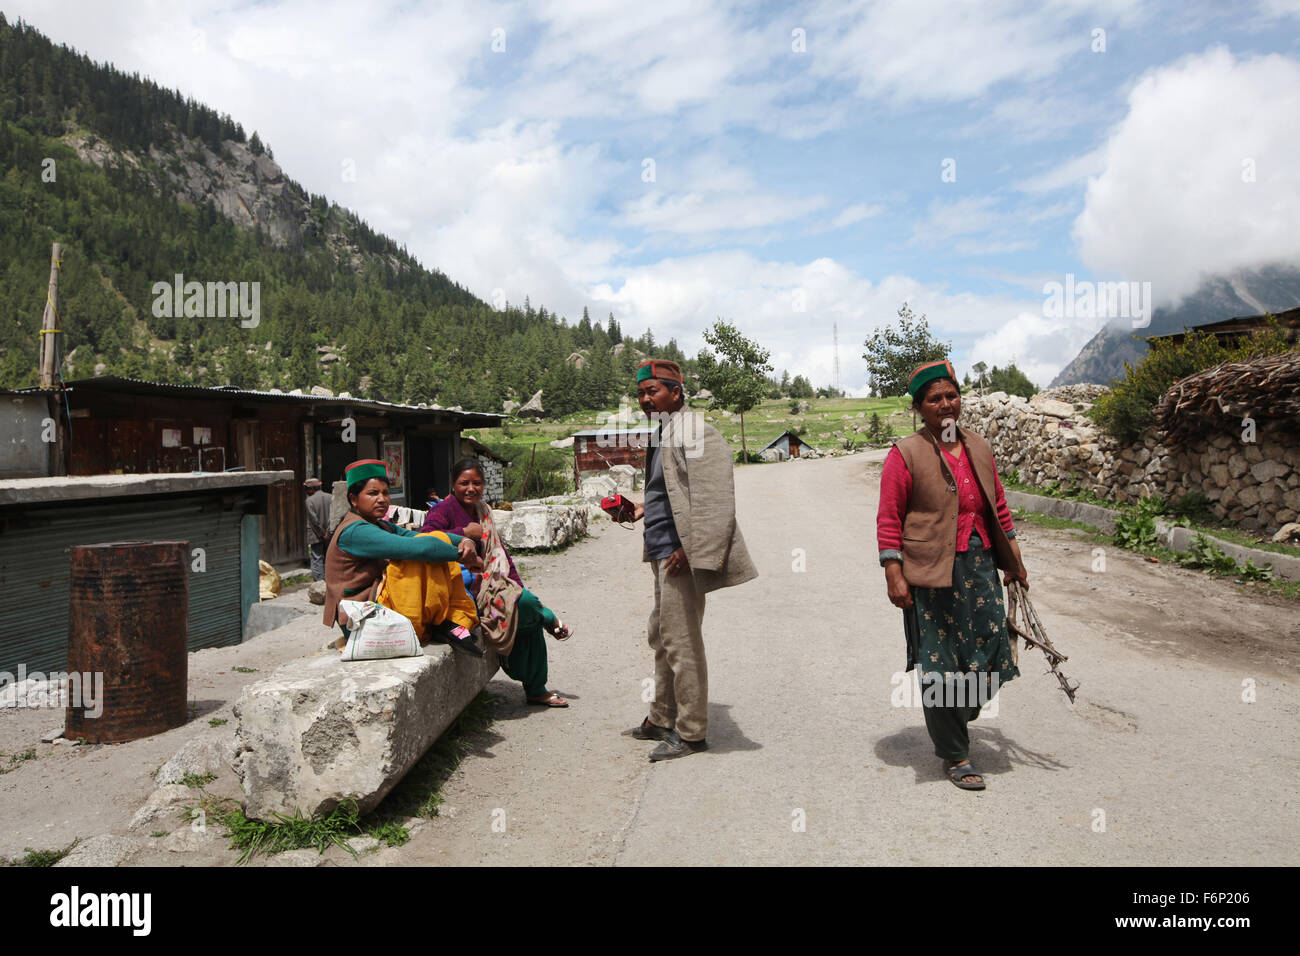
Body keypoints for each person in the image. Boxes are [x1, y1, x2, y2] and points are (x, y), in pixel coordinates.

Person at [876, 360, 1029, 791]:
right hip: (930, 571)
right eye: (934, 398)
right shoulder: (904, 454)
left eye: (951, 395)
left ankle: (958, 717)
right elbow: (889, 520)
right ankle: (956, 754)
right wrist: (894, 571)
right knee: (940, 665)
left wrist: (1015, 561)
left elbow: (998, 507)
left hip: (979, 564)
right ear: (919, 407)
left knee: (991, 655)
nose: (945, 404)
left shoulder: (979, 447)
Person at [624, 359, 758, 761]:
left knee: (681, 642)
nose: (646, 399)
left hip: (680, 555)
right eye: (642, 393)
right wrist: (638, 509)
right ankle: (662, 716)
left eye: (654, 391)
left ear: (676, 393)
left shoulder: (697, 431)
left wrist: (692, 550)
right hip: (662, 550)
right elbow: (673, 493)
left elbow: (716, 502)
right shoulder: (664, 432)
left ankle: (693, 732)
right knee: (663, 636)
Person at [420, 457, 573, 706]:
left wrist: (517, 584)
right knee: (526, 606)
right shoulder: (442, 511)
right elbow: (426, 538)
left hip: (494, 584)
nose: (471, 489)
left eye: (477, 483)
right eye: (464, 483)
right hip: (464, 591)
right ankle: (548, 620)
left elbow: (500, 553)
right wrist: (463, 534)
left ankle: (536, 687)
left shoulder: (484, 511)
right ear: (453, 484)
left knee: (525, 606)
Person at [324, 459, 484, 657]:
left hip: (379, 604)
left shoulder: (380, 525)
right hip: (361, 615)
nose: (382, 499)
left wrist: (463, 540)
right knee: (411, 559)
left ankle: (443, 622)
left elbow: (420, 536)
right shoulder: (355, 531)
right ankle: (436, 623)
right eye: (373, 493)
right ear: (354, 499)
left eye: (385, 493)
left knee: (436, 538)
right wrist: (460, 556)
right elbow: (416, 547)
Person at [303, 477, 333, 581]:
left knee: (317, 557)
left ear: (311, 489)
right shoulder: (330, 497)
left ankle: (319, 582)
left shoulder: (309, 501)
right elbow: (333, 517)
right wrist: (328, 532)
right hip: (330, 534)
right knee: (328, 556)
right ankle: (329, 579)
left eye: (307, 489)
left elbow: (313, 520)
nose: (306, 491)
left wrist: (322, 533)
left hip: (316, 535)